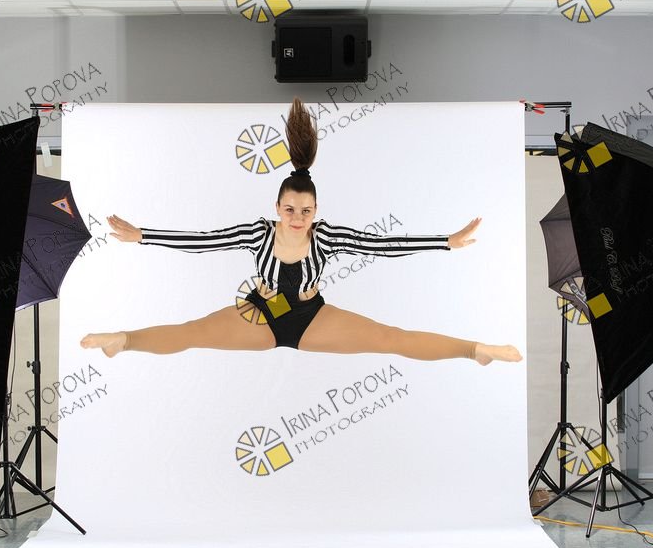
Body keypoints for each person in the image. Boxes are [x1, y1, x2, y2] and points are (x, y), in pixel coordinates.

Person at [81, 98, 522, 366]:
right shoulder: (258, 233)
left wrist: (446, 242)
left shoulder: (326, 237)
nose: (297, 217)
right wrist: (143, 236)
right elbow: (203, 240)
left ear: (316, 211)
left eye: (305, 211)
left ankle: (476, 350)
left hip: (311, 317)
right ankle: (124, 340)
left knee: (391, 339)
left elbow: (382, 245)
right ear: (277, 208)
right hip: (262, 313)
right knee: (193, 331)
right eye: (290, 209)